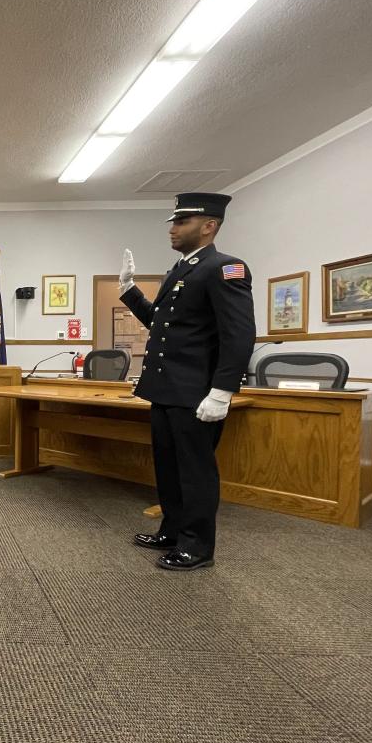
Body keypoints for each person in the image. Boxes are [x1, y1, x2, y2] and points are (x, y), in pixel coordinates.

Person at [118, 192, 254, 571]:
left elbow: (239, 335)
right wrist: (129, 290)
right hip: (166, 388)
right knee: (168, 465)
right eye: (174, 222)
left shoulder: (226, 269)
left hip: (196, 392)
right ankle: (173, 530)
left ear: (209, 226)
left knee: (195, 470)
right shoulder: (180, 271)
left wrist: (222, 390)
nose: (173, 229)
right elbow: (161, 323)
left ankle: (197, 547)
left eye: (182, 222)